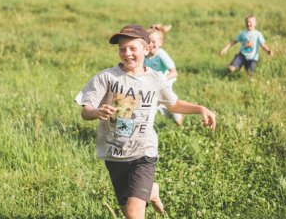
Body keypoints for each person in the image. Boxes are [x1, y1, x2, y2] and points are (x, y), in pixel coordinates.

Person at [75, 24, 216, 219]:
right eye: (122, 49)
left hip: (144, 152)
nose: (127, 53)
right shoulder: (106, 77)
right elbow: (86, 110)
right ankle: (152, 191)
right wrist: (96, 112)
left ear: (147, 49)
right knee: (127, 212)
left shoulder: (155, 79)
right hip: (114, 155)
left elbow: (173, 104)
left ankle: (147, 189)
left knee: (134, 214)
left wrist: (200, 108)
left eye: (133, 48)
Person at [144, 23, 183, 126]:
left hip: (165, 83)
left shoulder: (161, 54)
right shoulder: (143, 55)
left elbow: (174, 72)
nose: (150, 44)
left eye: (153, 42)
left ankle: (179, 120)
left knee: (171, 105)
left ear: (160, 42)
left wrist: (162, 79)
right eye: (148, 42)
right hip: (151, 85)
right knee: (151, 105)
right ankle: (145, 126)